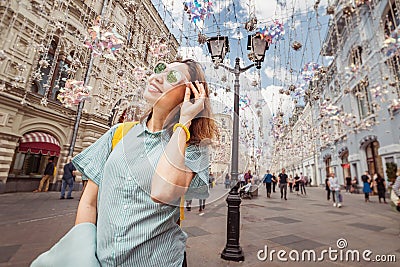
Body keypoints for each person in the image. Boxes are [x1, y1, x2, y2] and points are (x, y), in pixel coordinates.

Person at [72, 59, 216, 266]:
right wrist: (83, 257)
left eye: (172, 77)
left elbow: (163, 191)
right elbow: (89, 202)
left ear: (190, 94)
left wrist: (184, 121)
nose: (157, 77)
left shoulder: (193, 147)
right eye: (159, 69)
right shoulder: (118, 134)